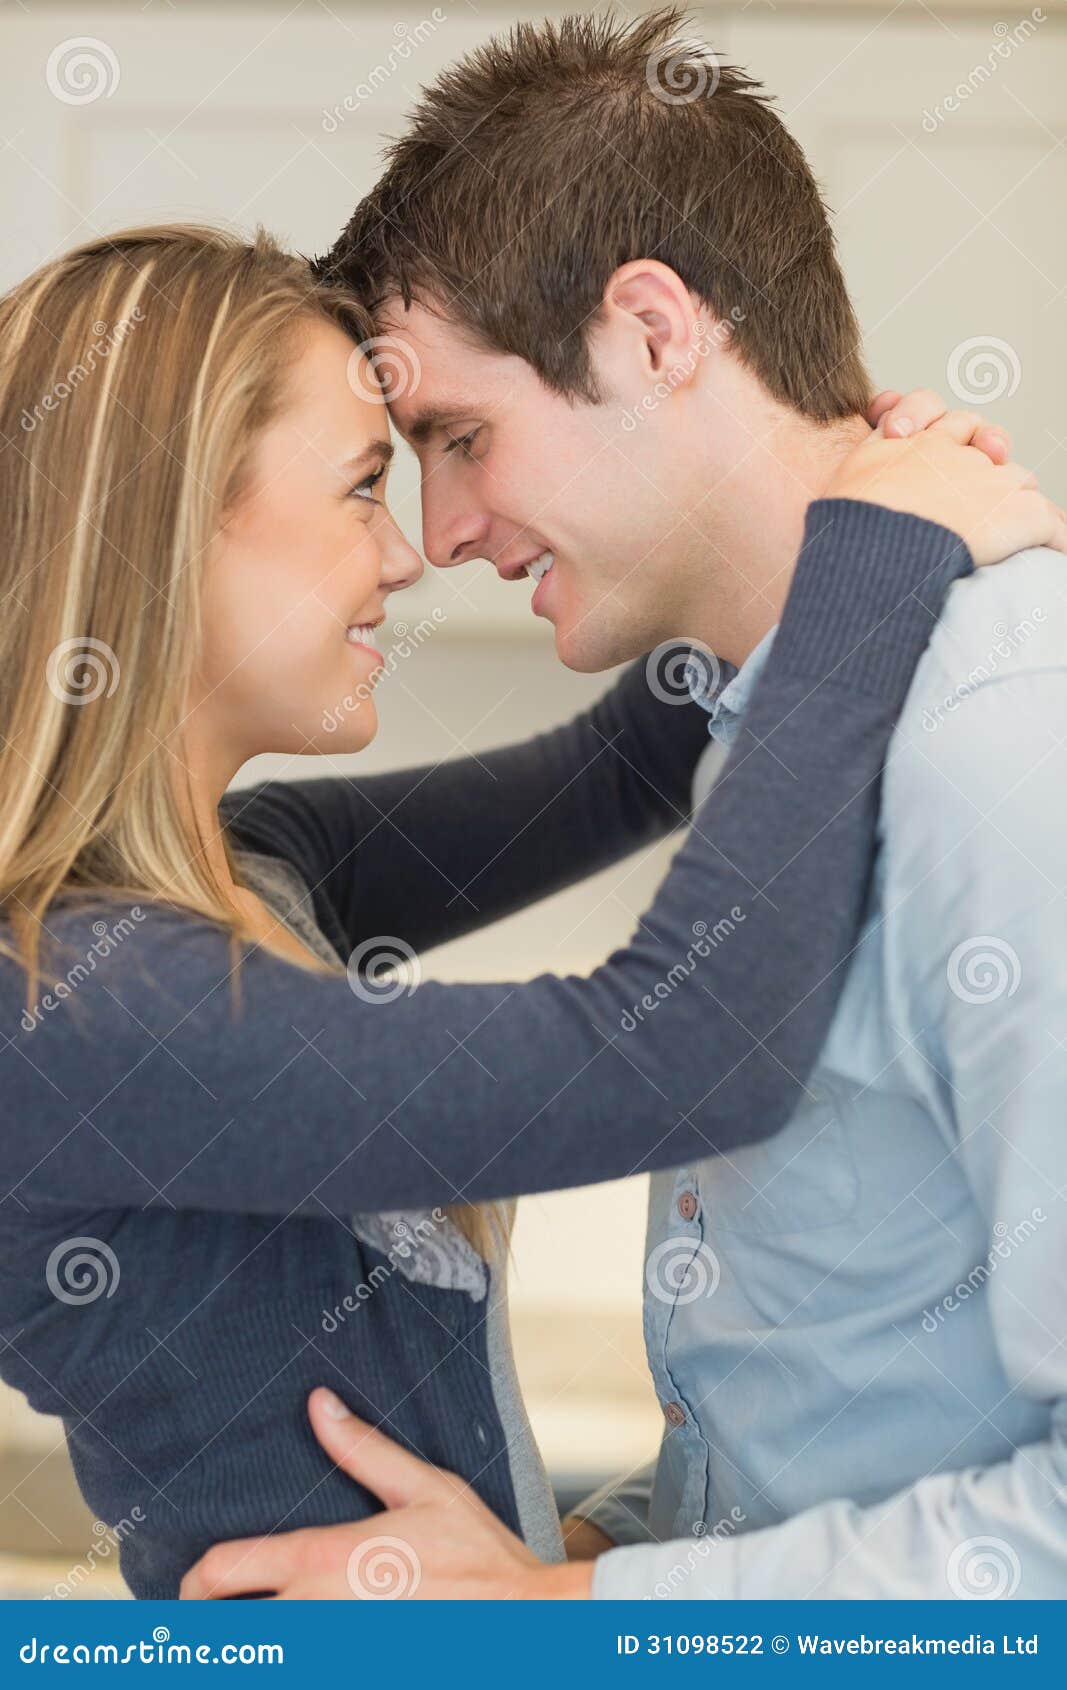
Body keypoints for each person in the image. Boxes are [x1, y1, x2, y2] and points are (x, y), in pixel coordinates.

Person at [182, 10, 1066, 1601]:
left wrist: (569, 1607)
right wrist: (613, 1545)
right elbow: (844, 1395)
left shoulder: (1005, 740)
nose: (437, 533)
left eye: (458, 438)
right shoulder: (773, 730)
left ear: (655, 329)